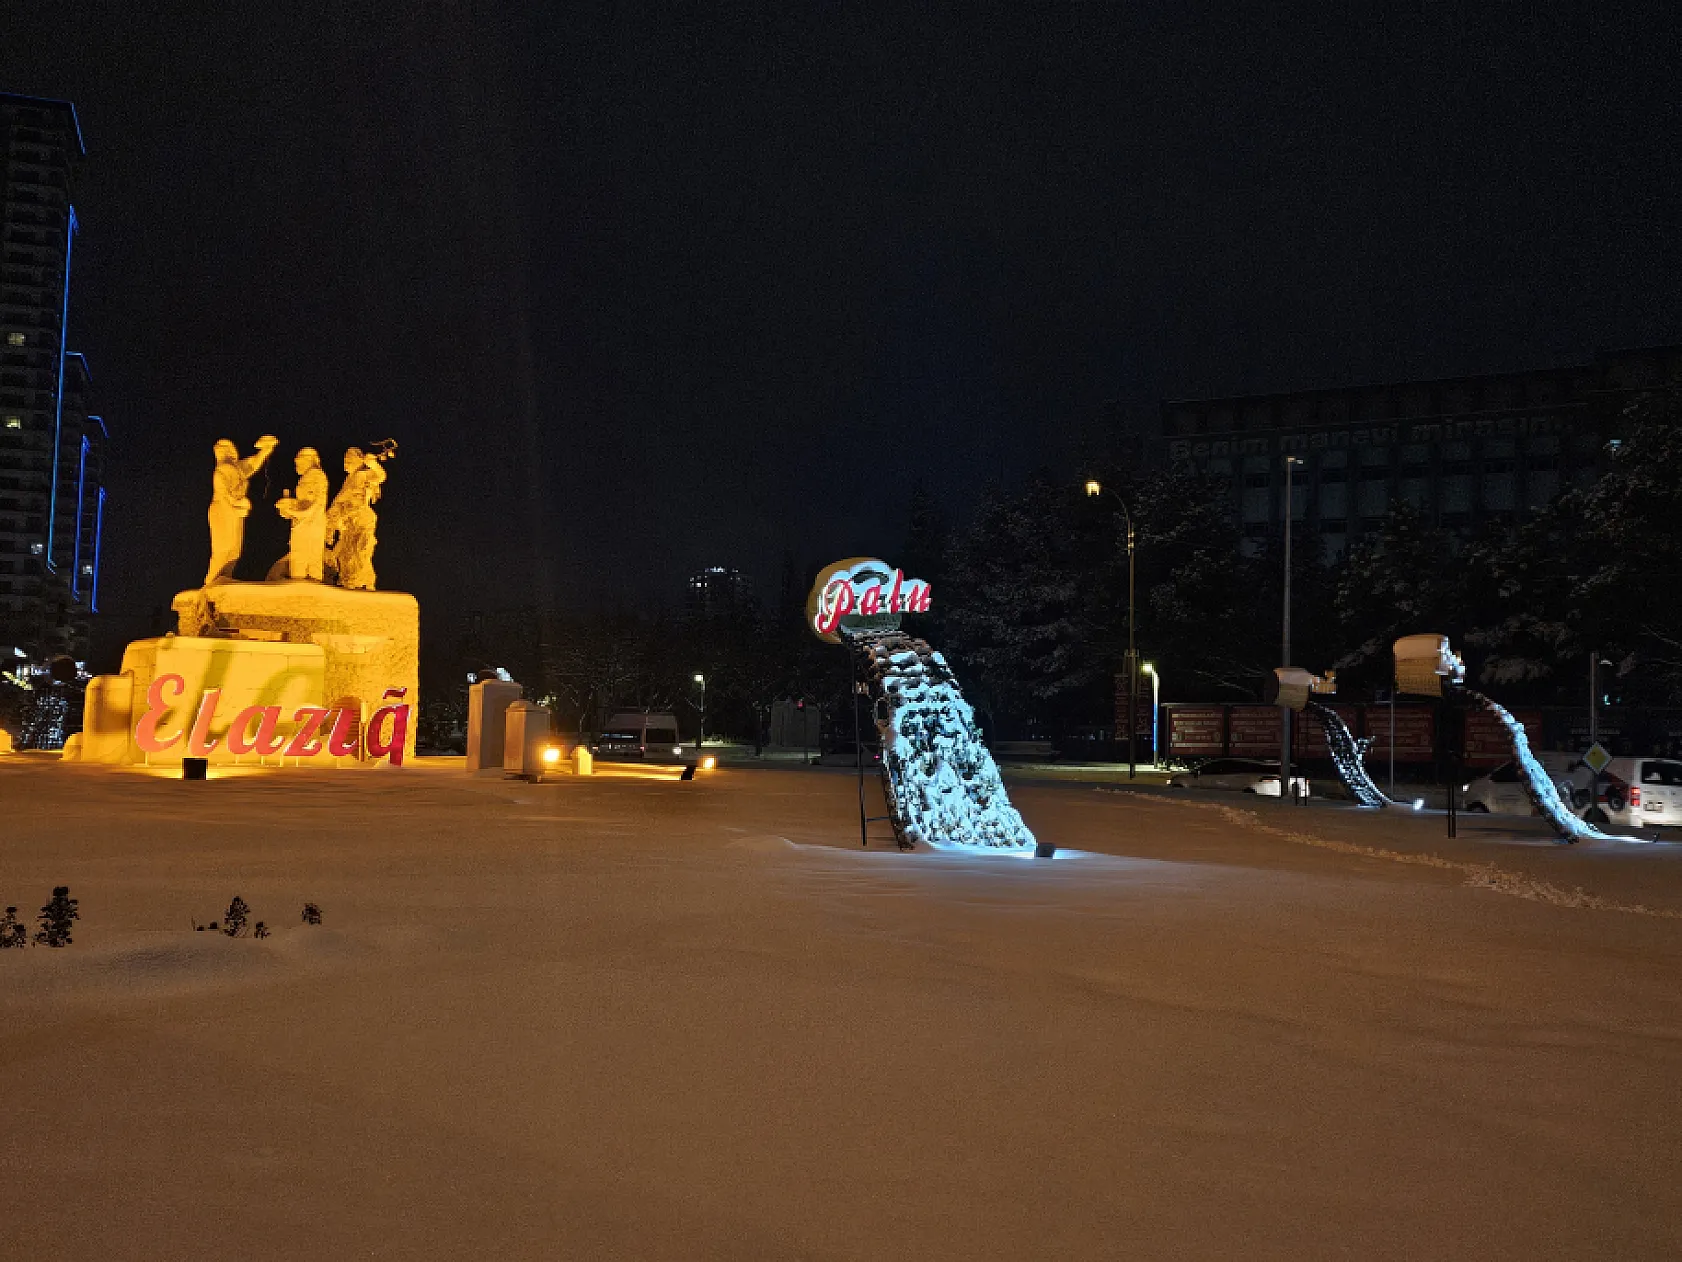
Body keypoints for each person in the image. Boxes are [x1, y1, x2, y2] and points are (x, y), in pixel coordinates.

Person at [204, 435, 279, 586]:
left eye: (223, 450)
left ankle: (223, 579)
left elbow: (252, 464)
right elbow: (222, 492)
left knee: (234, 550)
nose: (221, 453)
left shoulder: (236, 468)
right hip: (222, 509)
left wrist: (265, 451)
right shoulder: (221, 470)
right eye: (219, 451)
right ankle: (211, 583)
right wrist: (237, 503)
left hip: (234, 511)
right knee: (222, 549)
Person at [325, 446, 387, 591]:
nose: (346, 461)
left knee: (359, 551)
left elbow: (380, 476)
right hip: (348, 521)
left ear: (359, 459)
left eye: (349, 459)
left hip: (360, 517)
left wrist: (373, 464)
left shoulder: (363, 474)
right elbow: (340, 500)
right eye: (345, 458)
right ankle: (348, 579)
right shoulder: (349, 478)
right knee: (346, 552)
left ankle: (362, 580)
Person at [274, 447, 329, 580]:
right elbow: (304, 504)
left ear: (309, 460)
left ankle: (307, 594)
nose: (296, 465)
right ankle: (302, 591)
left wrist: (292, 510)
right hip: (303, 524)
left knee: (307, 558)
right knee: (302, 558)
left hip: (311, 524)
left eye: (298, 461)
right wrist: (288, 507)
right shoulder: (307, 477)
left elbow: (317, 504)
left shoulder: (316, 475)